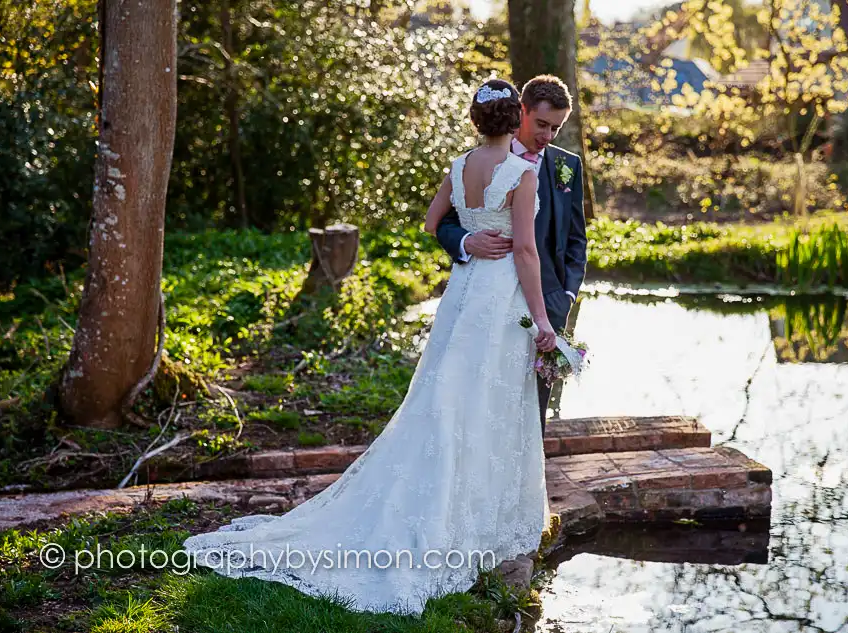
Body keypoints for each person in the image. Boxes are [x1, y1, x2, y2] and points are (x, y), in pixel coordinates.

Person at [183, 78, 555, 616]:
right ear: (518, 115)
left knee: (444, 400)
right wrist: (541, 319)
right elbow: (525, 249)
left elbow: (432, 223)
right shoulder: (521, 174)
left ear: (475, 120)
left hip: (463, 293)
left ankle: (454, 507)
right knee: (483, 403)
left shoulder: (458, 165)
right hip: (499, 299)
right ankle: (469, 516)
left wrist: (467, 241)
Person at [435, 74, 587, 435]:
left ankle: (521, 485)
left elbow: (576, 238)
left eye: (557, 128)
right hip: (488, 296)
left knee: (532, 405)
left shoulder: (568, 166)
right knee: (480, 391)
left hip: (547, 301)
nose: (548, 136)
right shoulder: (478, 161)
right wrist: (466, 241)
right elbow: (444, 222)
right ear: (522, 112)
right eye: (542, 124)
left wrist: (566, 294)